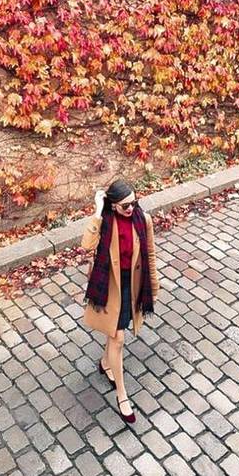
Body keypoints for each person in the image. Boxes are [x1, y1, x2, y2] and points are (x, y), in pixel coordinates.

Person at [80, 179, 159, 424]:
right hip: (109, 285)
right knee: (119, 338)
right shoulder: (105, 222)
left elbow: (151, 254)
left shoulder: (142, 219)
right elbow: (86, 246)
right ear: (112, 206)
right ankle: (122, 395)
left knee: (115, 332)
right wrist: (96, 211)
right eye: (125, 205)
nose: (131, 209)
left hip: (131, 285)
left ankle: (105, 363)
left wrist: (153, 285)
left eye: (134, 203)